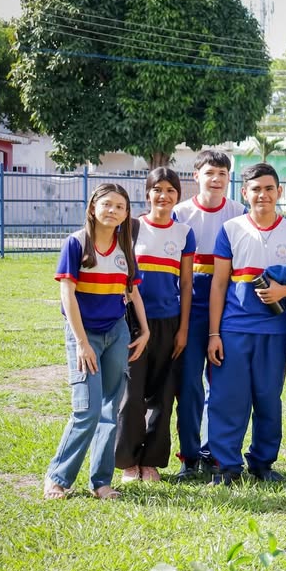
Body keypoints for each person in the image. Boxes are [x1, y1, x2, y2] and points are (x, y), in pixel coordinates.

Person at [44, 184, 150, 500]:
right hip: (85, 335)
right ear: (93, 208)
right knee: (87, 409)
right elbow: (67, 294)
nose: (113, 211)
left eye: (120, 206)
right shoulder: (76, 244)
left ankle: (101, 482)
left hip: (116, 332)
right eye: (107, 204)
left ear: (126, 214)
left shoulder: (125, 249)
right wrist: (81, 342)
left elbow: (133, 292)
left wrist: (144, 330)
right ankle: (58, 478)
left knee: (110, 408)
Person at [206, 163, 286, 485]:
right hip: (233, 328)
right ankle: (226, 465)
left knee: (268, 399)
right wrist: (214, 333)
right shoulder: (231, 229)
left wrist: (284, 290)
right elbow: (219, 284)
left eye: (269, 188)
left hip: (274, 331)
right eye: (255, 189)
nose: (263, 194)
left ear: (279, 192)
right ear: (244, 192)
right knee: (228, 398)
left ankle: (262, 463)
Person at [115, 168, 196, 483]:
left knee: (162, 397)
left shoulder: (184, 233)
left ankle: (151, 462)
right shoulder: (131, 228)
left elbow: (187, 284)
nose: (164, 196)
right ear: (147, 194)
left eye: (170, 190)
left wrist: (184, 329)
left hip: (169, 321)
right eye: (157, 190)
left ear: (178, 195)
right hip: (133, 322)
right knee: (131, 395)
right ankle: (128, 462)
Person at [172, 149, 246, 482]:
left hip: (227, 303)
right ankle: (189, 455)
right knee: (189, 384)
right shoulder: (179, 212)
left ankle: (216, 452)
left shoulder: (239, 212)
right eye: (209, 173)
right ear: (196, 176)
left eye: (222, 174)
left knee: (223, 384)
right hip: (189, 302)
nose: (216, 180)